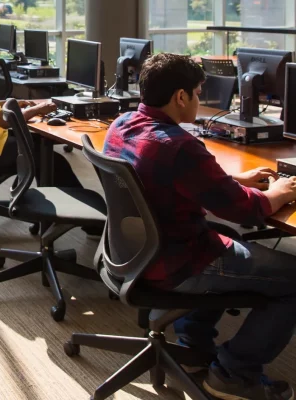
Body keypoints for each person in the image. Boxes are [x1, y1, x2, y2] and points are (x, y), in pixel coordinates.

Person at [104, 53, 296, 400]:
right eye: (197, 92)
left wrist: (232, 178)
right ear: (181, 97)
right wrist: (281, 191)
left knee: (232, 238)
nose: (199, 99)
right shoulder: (178, 146)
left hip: (133, 252)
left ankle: (194, 346)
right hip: (178, 260)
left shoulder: (123, 124)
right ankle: (233, 374)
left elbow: (168, 176)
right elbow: (244, 210)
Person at [0, 41, 83, 189]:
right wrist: (37, 109)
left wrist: (14, 103)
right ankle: (74, 205)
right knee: (50, 160)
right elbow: (5, 122)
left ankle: (44, 197)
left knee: (38, 143)